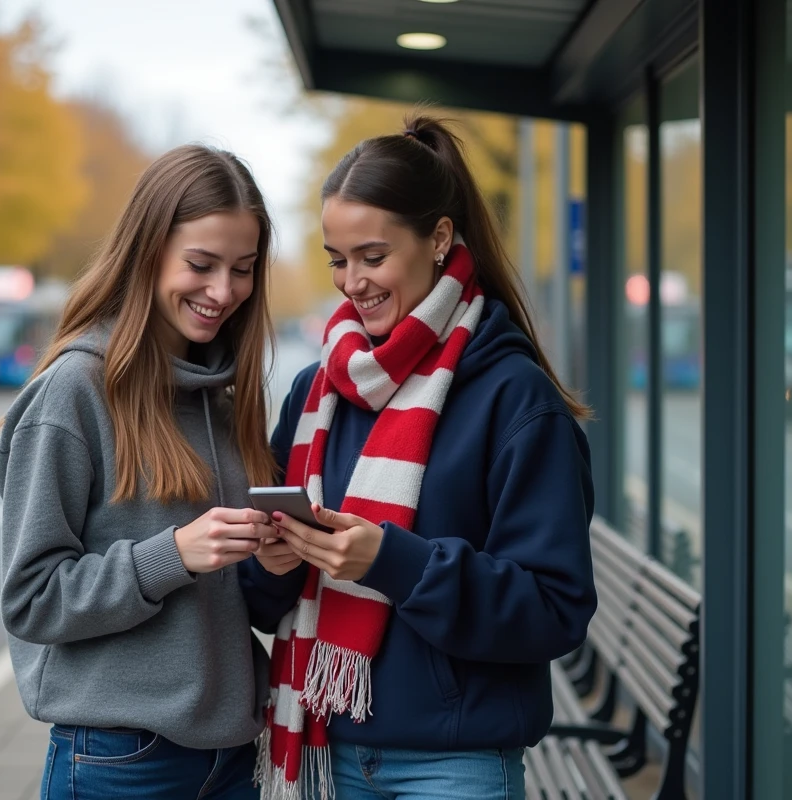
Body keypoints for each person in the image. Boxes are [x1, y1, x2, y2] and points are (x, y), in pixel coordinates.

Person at [241, 115, 598, 800]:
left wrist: (393, 564)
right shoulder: (314, 393)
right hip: (324, 749)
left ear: (438, 239)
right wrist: (271, 562)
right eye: (336, 259)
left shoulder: (515, 398)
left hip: (454, 766)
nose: (352, 282)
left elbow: (555, 609)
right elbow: (265, 601)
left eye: (373, 257)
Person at [0, 144, 282, 800]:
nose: (223, 292)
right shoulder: (74, 391)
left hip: (234, 755)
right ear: (147, 250)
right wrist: (172, 555)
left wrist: (276, 556)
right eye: (202, 265)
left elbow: (238, 597)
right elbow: (31, 599)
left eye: (242, 270)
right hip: (120, 760)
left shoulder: (226, 395)